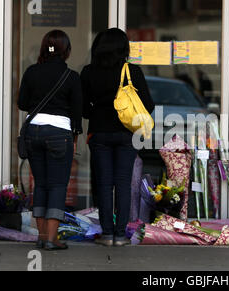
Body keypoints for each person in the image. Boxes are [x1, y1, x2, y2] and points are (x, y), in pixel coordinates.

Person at [81, 28, 154, 247]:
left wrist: (98, 110)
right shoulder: (132, 71)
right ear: (123, 48)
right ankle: (121, 235)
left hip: (99, 133)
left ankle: (106, 234)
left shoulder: (88, 72)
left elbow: (83, 110)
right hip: (127, 135)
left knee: (103, 184)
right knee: (123, 183)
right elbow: (148, 105)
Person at [18, 30, 83, 251]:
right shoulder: (71, 77)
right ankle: (50, 239)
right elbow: (77, 112)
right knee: (57, 186)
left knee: (41, 184)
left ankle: (42, 236)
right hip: (59, 135)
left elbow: (22, 103)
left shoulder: (31, 72)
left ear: (45, 48)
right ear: (66, 51)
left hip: (33, 133)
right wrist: (74, 137)